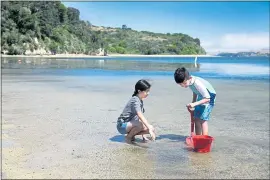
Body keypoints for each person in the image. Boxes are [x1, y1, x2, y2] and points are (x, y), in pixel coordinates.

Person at [174, 67, 216, 135]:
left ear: (189, 78)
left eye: (183, 83)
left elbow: (207, 98)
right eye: (180, 84)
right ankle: (198, 137)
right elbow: (195, 91)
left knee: (203, 119)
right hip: (201, 96)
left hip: (210, 96)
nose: (182, 86)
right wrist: (193, 102)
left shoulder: (197, 83)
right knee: (196, 118)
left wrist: (195, 104)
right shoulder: (189, 82)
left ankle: (205, 137)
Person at [116, 79, 156, 144]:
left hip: (129, 124)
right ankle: (128, 137)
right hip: (121, 125)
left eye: (148, 91)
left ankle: (131, 135)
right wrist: (148, 127)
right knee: (144, 125)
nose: (148, 93)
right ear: (139, 91)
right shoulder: (135, 100)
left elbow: (139, 118)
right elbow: (140, 116)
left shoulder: (140, 101)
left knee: (151, 128)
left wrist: (144, 135)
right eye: (146, 91)